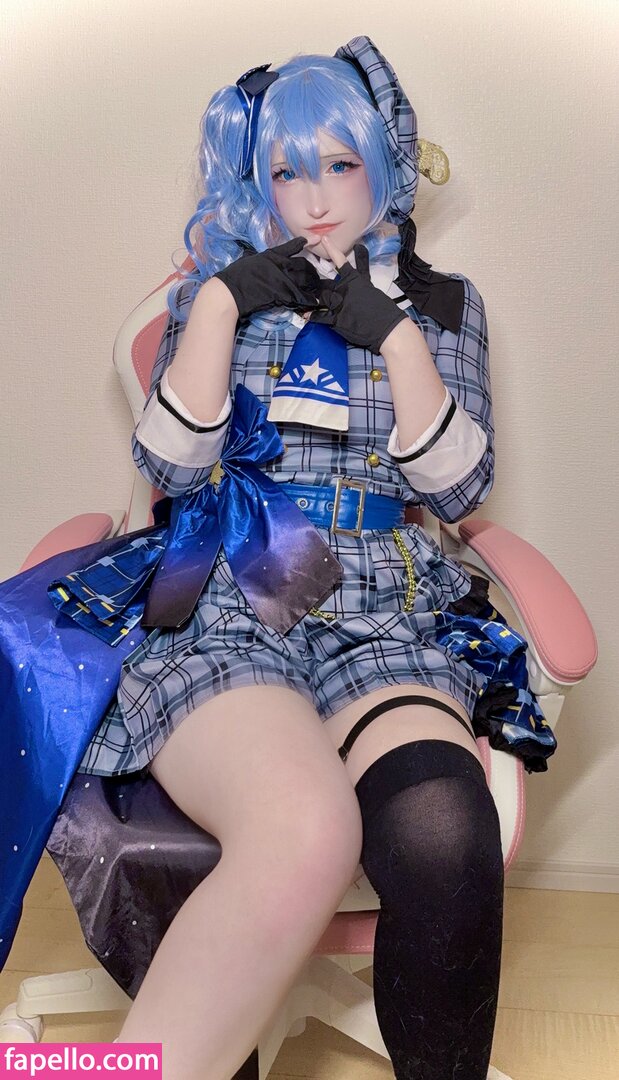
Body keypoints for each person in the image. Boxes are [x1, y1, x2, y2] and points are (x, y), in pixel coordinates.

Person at [0, 33, 547, 1080]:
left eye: (340, 164)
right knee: (302, 830)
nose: (318, 197)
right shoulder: (215, 292)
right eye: (289, 172)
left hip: (382, 604)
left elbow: (460, 492)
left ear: (381, 165)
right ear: (259, 182)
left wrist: (394, 339)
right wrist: (217, 305)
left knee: (443, 831)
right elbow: (169, 464)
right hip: (231, 588)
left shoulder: (443, 305)